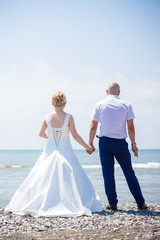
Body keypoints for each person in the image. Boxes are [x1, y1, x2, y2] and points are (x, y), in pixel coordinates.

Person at [5, 91, 102, 217]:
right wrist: (87, 147)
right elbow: (75, 135)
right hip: (65, 150)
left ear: (53, 103)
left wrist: (50, 138)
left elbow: (40, 134)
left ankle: (42, 203)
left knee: (41, 176)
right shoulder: (69, 117)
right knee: (70, 175)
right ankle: (69, 202)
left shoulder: (47, 118)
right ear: (64, 103)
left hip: (50, 150)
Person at [89, 82, 147, 210]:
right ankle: (140, 202)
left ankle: (112, 203)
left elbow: (93, 126)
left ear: (107, 92)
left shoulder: (99, 105)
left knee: (108, 173)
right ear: (119, 92)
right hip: (120, 142)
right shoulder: (126, 104)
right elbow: (130, 127)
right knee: (128, 171)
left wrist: (90, 143)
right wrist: (133, 144)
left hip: (104, 142)